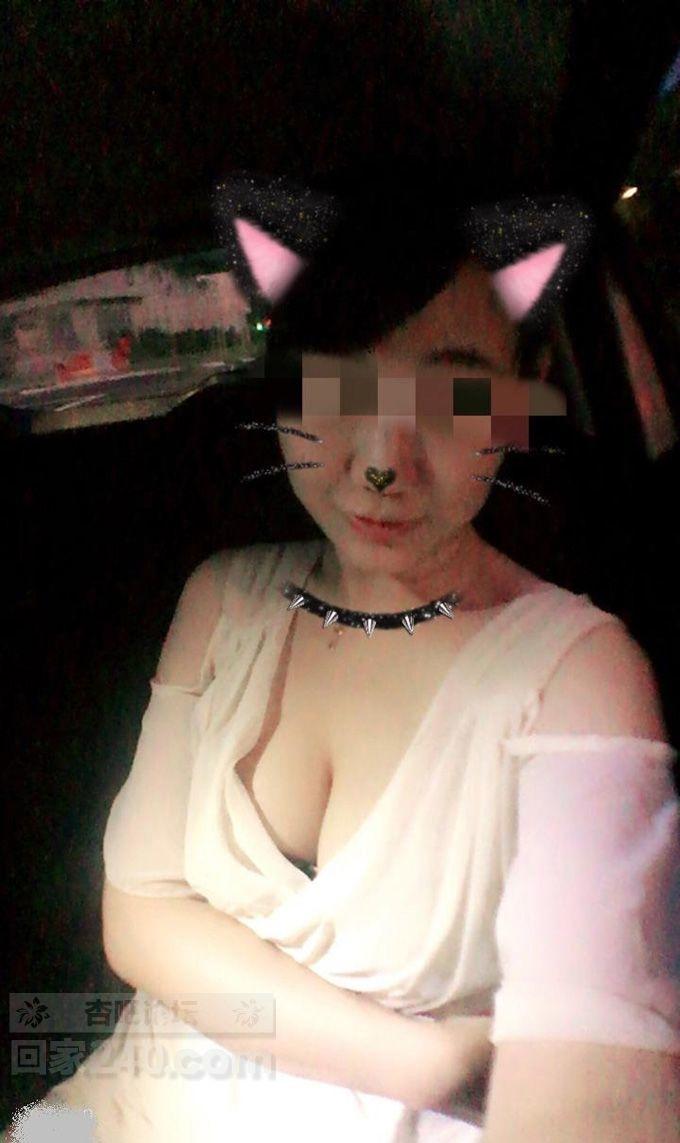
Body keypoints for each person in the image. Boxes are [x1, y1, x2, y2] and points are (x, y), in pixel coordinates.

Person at [5, 245, 679, 1143]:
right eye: (334, 388)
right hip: (127, 1100)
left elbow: (596, 1086)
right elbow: (139, 917)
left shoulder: (581, 678)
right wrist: (429, 1062)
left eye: (452, 394)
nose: (382, 462)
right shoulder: (225, 599)